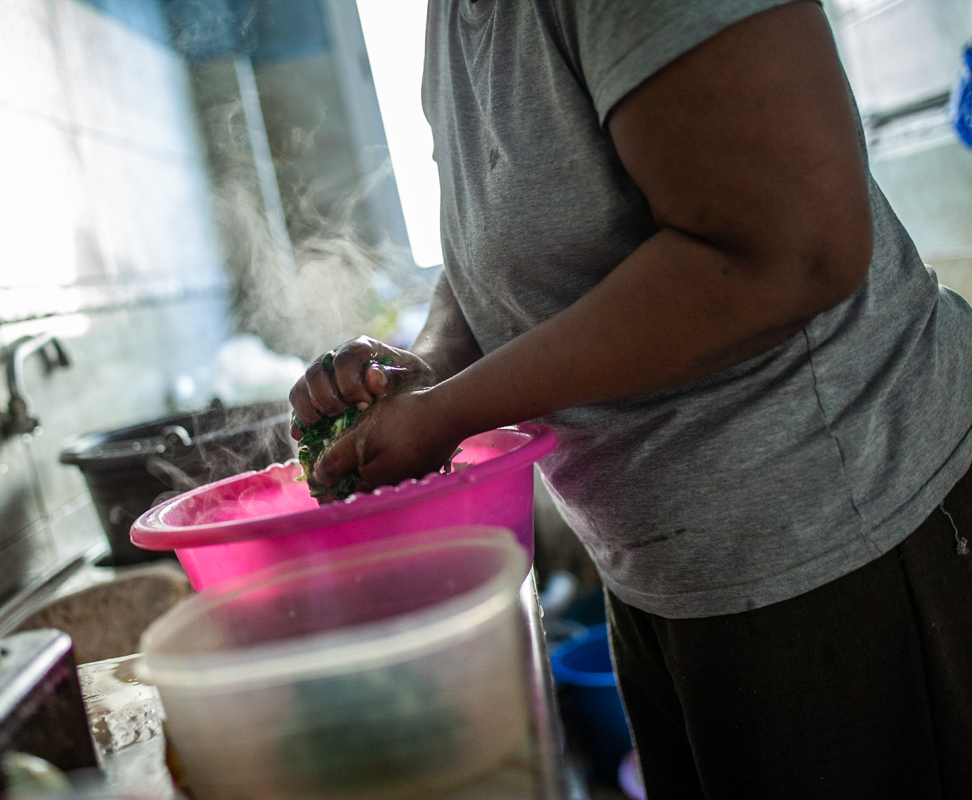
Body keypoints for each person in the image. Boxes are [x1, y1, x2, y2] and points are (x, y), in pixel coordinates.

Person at [288, 1, 972, 797]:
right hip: (663, 570)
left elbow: (793, 250)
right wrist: (426, 368)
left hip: (837, 539)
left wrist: (447, 415)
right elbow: (499, 245)